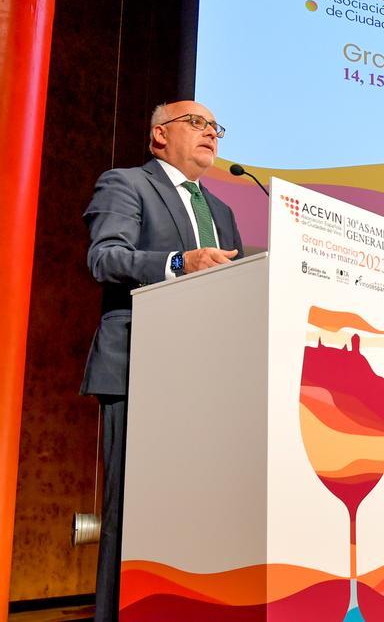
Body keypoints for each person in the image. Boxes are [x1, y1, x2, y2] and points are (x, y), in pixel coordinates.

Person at [80, 100, 243, 621]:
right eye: (195, 123)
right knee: (130, 512)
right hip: (141, 366)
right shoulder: (126, 184)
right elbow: (105, 258)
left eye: (215, 126)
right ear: (158, 136)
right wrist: (177, 263)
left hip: (206, 379)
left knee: (199, 512)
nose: (210, 133)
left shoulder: (224, 212)